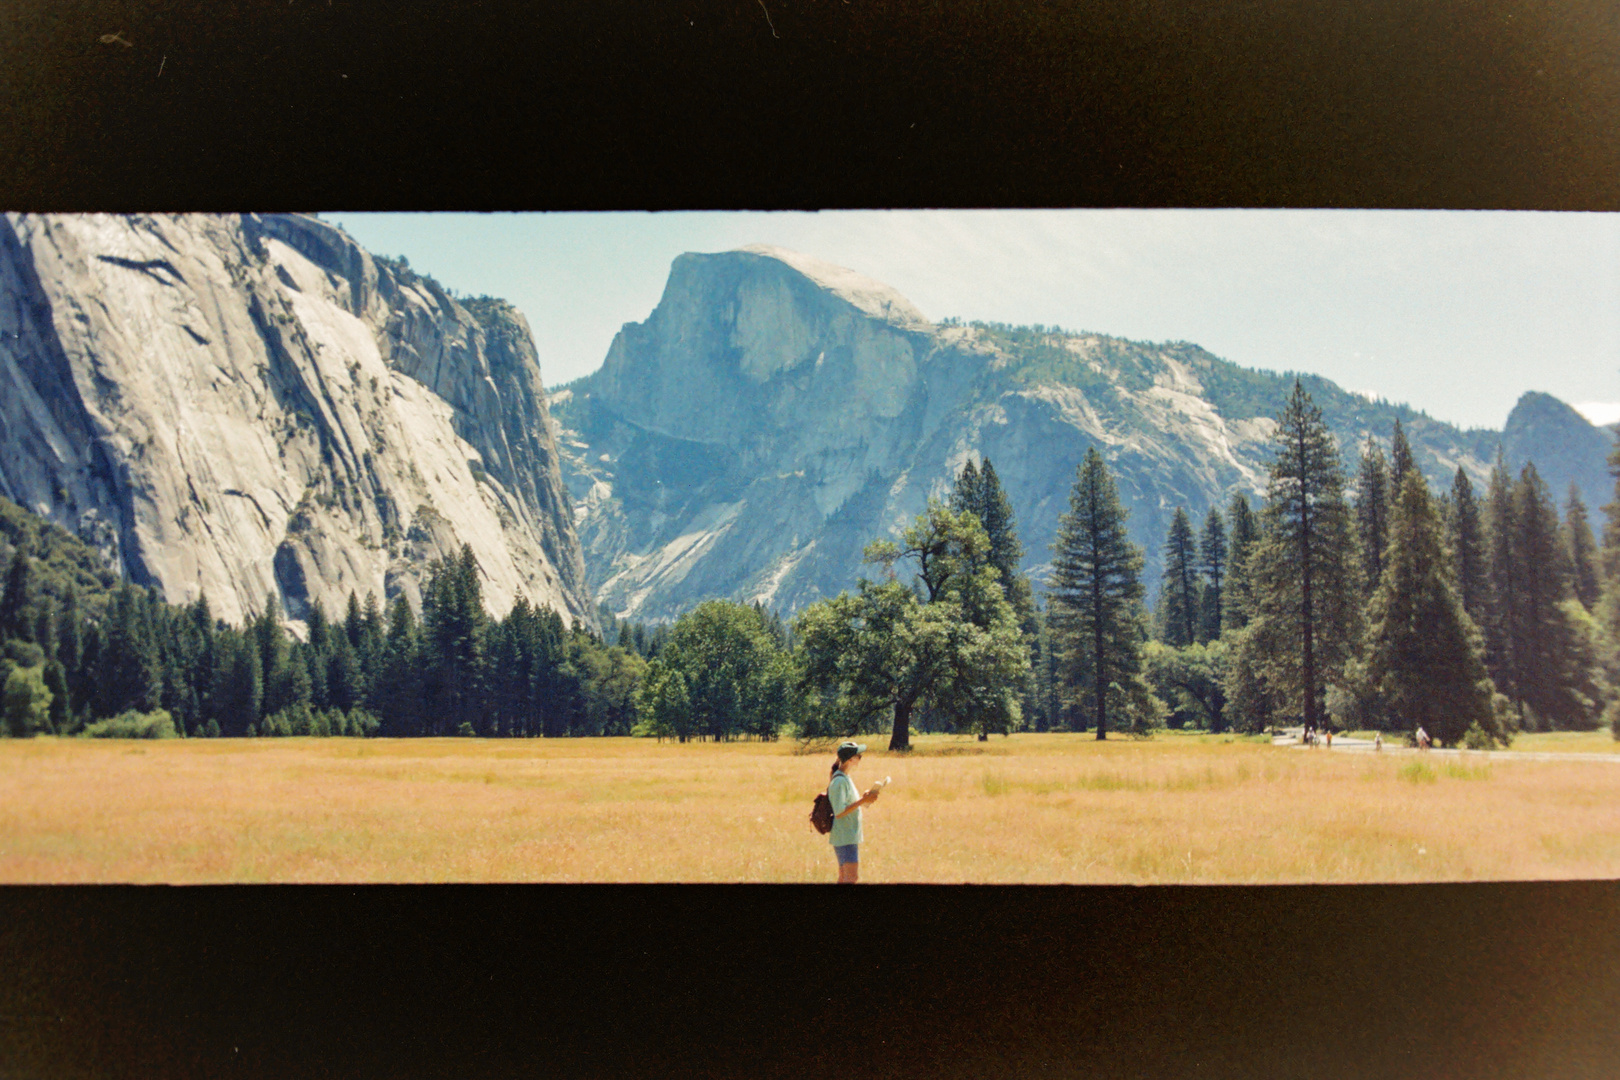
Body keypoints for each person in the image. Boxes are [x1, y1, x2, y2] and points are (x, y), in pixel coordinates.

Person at [828, 740, 881, 884]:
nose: (860, 759)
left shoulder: (845, 778)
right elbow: (839, 812)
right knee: (851, 878)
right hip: (845, 836)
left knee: (844, 877)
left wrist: (865, 799)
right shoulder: (839, 782)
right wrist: (863, 801)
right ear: (850, 759)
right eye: (859, 756)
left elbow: (850, 805)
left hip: (847, 835)